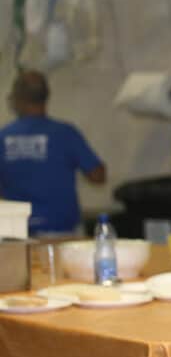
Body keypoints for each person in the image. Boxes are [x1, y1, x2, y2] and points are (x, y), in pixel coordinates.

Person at [0, 70, 105, 235]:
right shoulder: (66, 133)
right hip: (63, 233)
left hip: (17, 234)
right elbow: (98, 176)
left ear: (17, 99)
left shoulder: (3, 137)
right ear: (46, 97)